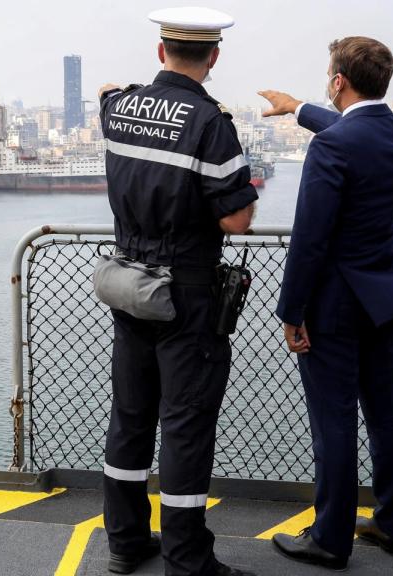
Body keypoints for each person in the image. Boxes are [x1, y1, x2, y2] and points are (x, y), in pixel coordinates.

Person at [97, 7, 258, 576]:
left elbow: (107, 98)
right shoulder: (211, 123)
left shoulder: (121, 107)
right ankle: (187, 560)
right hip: (186, 293)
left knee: (131, 417)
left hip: (129, 283)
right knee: (184, 426)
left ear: (160, 52)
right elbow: (237, 221)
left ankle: (124, 542)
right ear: (213, 56)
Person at [259, 36, 393, 570]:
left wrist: (291, 312)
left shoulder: (332, 148)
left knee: (332, 419)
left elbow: (310, 239)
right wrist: (297, 109)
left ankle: (330, 539)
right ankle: (390, 522)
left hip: (332, 304)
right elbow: (357, 130)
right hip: (384, 295)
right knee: (386, 410)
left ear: (338, 81)